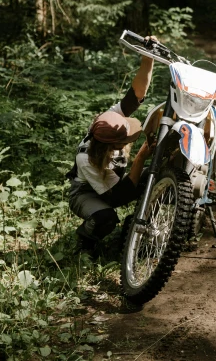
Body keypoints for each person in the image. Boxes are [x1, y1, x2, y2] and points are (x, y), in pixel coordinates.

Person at [67, 36, 158, 256]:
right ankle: (86, 242)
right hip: (87, 194)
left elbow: (136, 94)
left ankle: (146, 221)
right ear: (111, 145)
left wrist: (148, 58)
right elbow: (118, 196)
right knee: (105, 218)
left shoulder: (108, 120)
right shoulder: (87, 159)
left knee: (157, 176)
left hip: (112, 185)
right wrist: (140, 158)